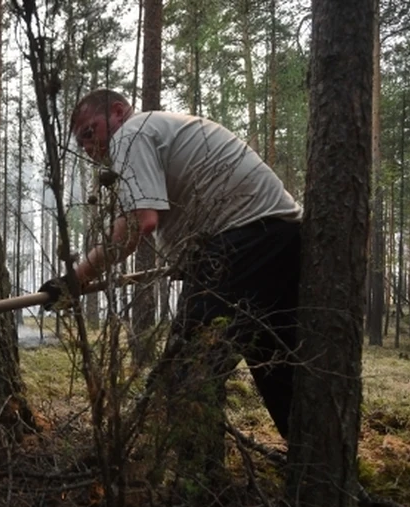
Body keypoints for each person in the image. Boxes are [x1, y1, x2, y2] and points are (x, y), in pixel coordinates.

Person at [40, 88, 302, 442]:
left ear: (118, 112)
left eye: (90, 131)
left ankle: (200, 489)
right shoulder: (158, 129)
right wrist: (188, 257)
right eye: (81, 142)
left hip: (243, 241)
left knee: (189, 372)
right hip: (281, 239)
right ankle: (318, 473)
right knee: (277, 364)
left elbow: (139, 223)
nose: (88, 147)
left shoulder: (130, 136)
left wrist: (74, 279)